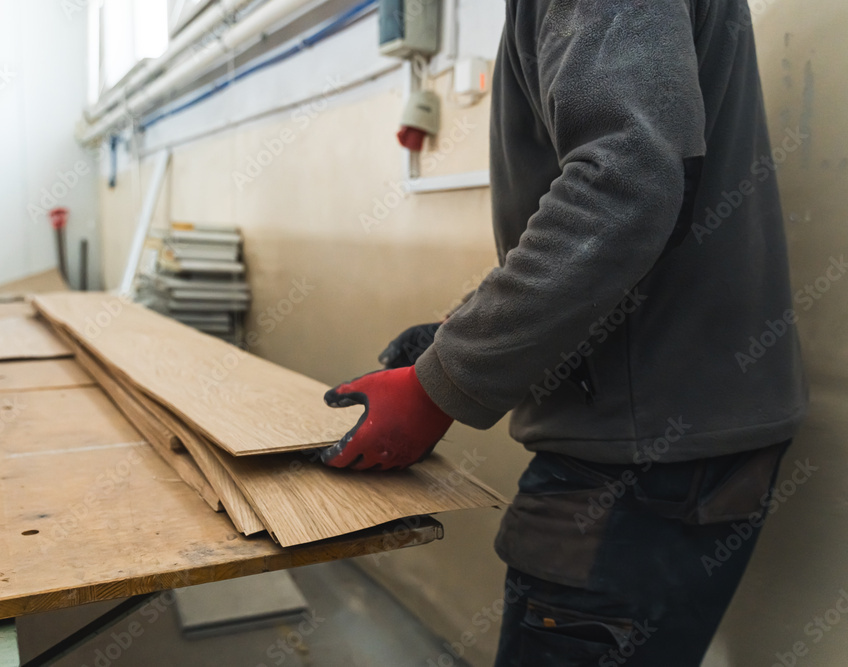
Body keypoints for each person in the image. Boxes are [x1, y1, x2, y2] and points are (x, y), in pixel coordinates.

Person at [322, 1, 808, 665]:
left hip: (635, 464)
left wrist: (442, 387)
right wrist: (456, 336)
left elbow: (626, 185)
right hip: (679, 437)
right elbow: (632, 206)